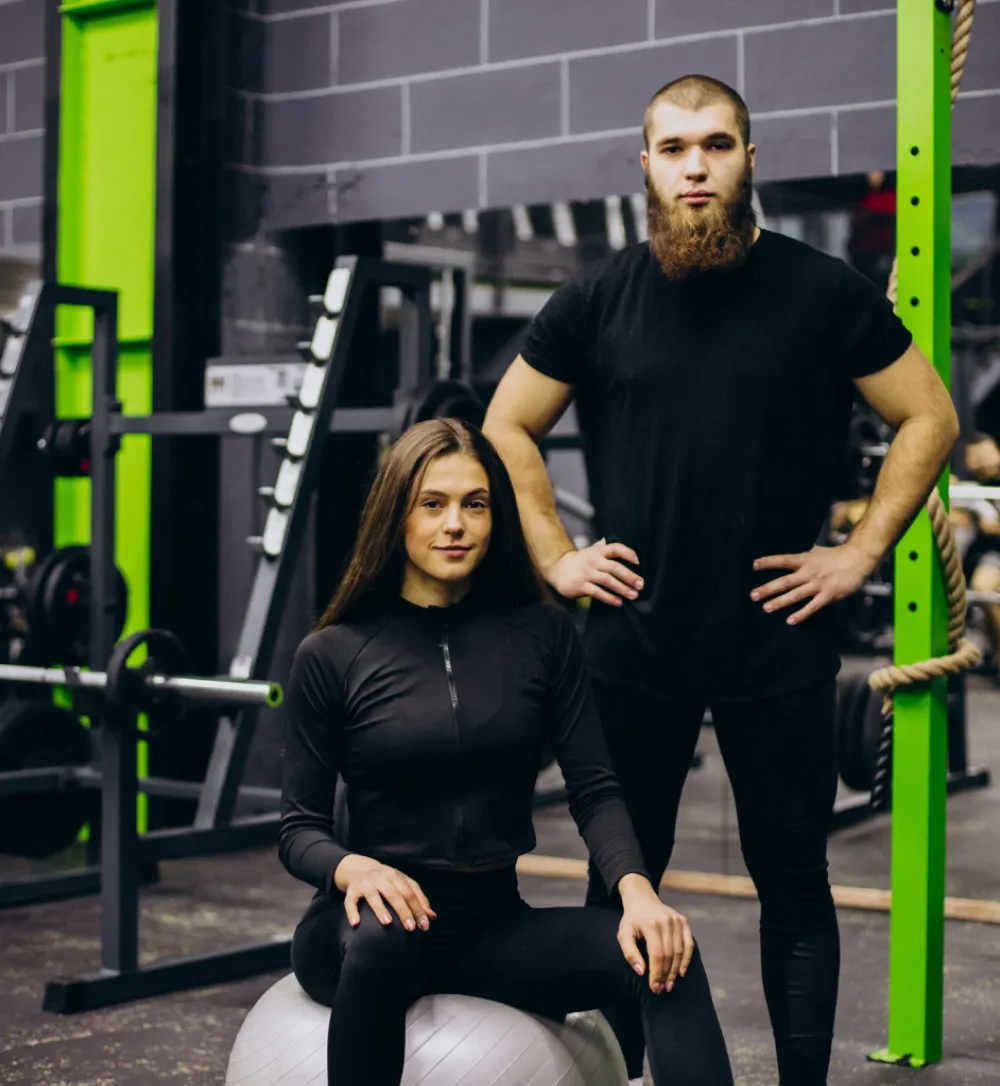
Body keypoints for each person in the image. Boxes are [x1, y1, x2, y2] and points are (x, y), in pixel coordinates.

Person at [482, 74, 960, 1086]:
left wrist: (862, 550)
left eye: (716, 145)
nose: (695, 165)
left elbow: (929, 415)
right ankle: (618, 1074)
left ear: (749, 157)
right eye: (674, 148)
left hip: (775, 641)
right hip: (632, 647)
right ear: (644, 163)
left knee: (792, 882)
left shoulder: (819, 292)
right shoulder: (596, 298)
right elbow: (504, 426)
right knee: (620, 886)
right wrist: (557, 558)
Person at [278, 418, 735, 1086]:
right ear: (395, 515)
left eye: (475, 503)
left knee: (666, 953)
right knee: (384, 938)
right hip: (358, 931)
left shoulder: (541, 634)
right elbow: (299, 831)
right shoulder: (334, 652)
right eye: (432, 504)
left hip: (489, 925)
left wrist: (638, 896)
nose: (455, 524)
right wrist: (353, 871)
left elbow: (595, 786)